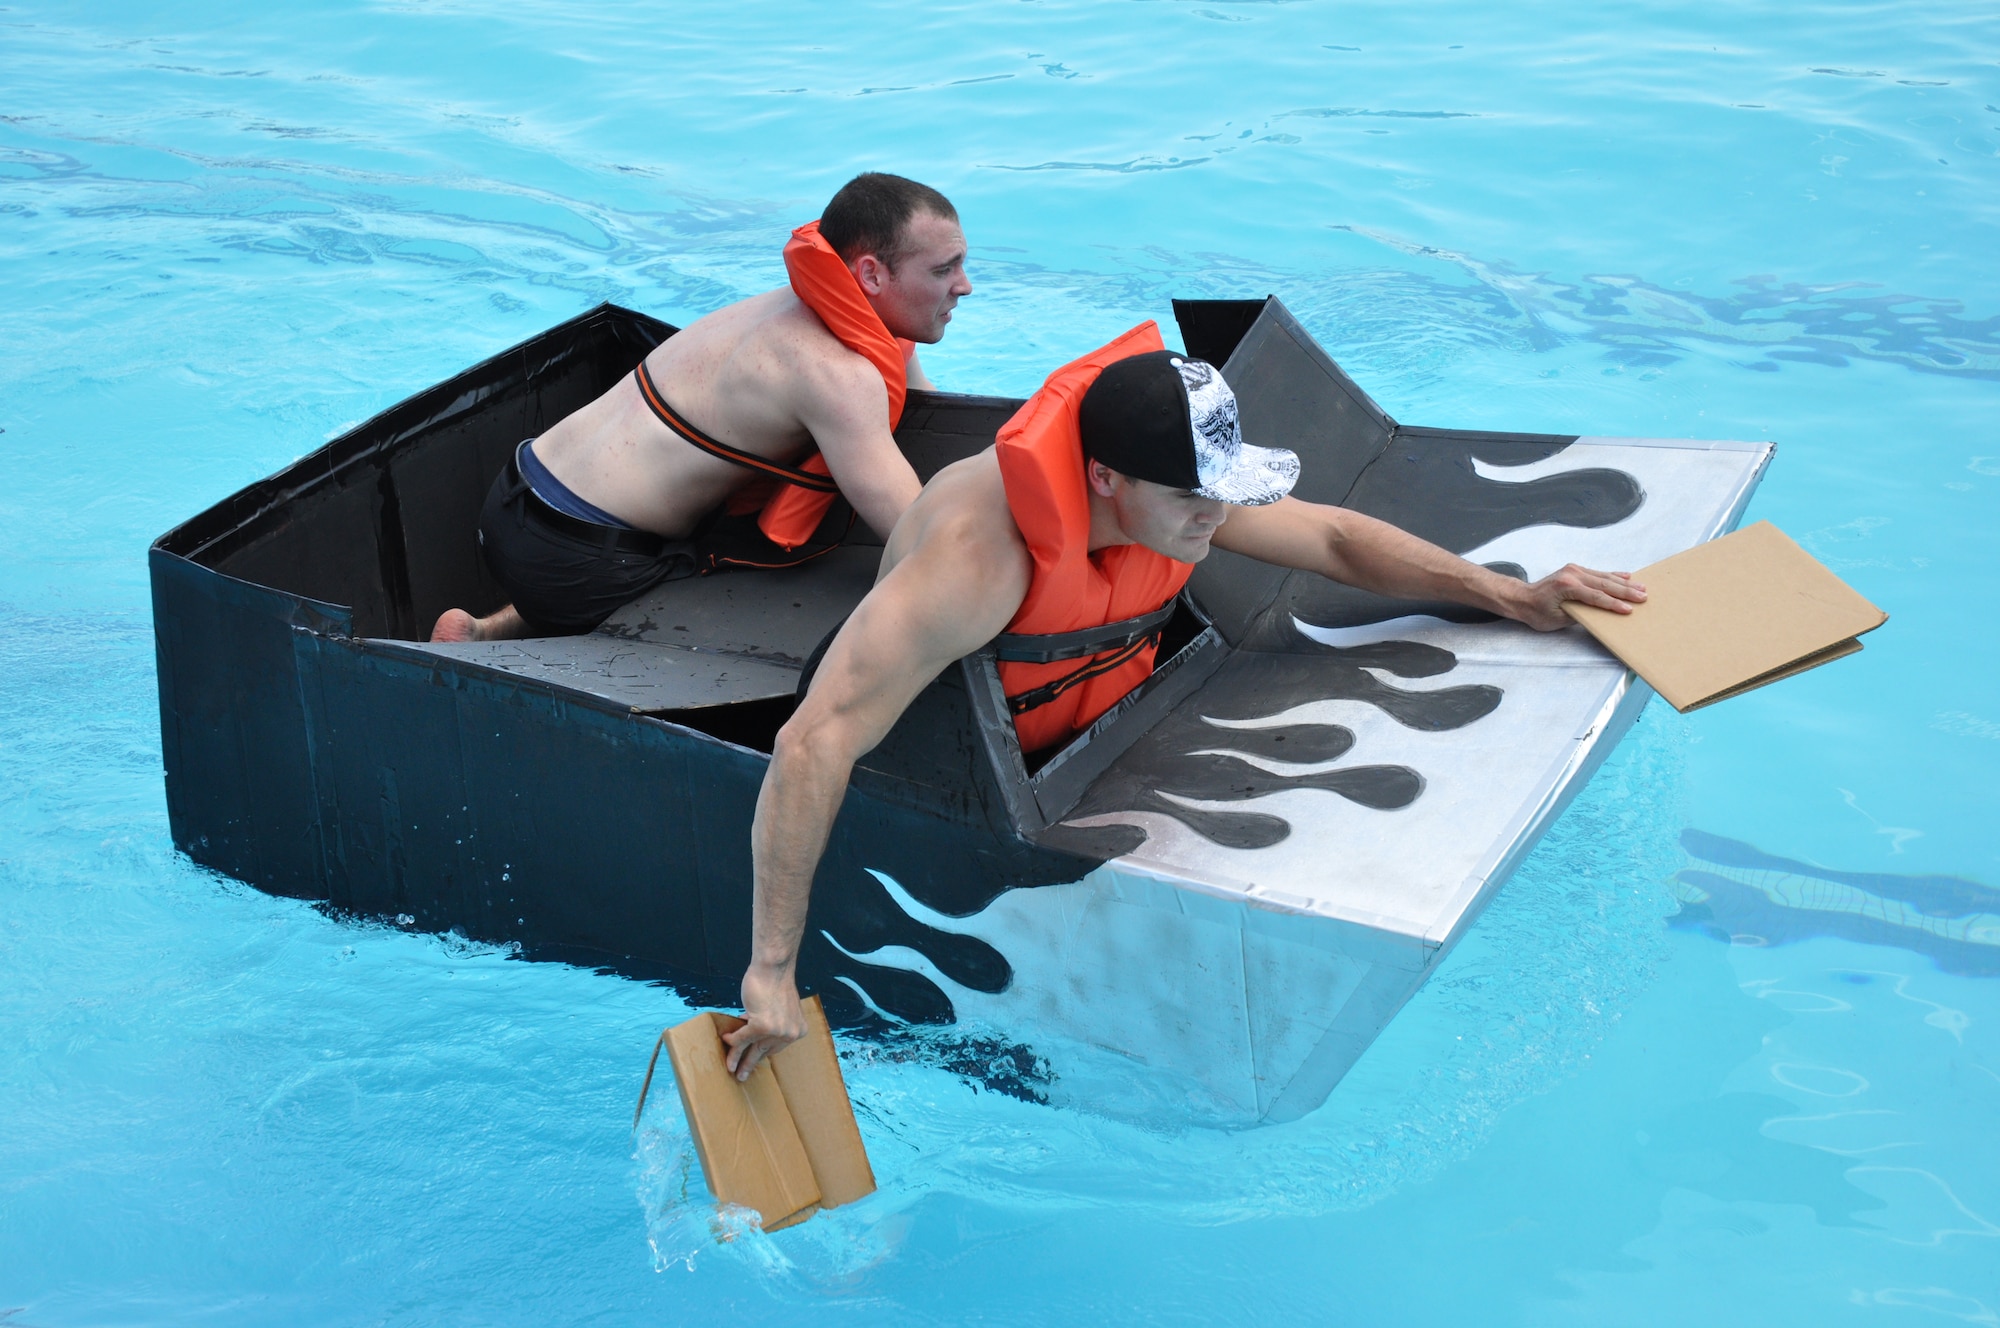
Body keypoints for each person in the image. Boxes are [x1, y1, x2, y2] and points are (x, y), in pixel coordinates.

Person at [719, 322, 1649, 1080]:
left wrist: (1510, 593)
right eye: (1196, 498)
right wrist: (769, 969)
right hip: (942, 774)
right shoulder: (977, 560)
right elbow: (815, 742)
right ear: (1102, 479)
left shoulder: (1172, 484)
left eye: (1225, 494)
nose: (1218, 515)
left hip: (1089, 722)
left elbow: (1328, 537)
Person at [431, 172, 972, 642]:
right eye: (943, 270)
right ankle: (534, 626)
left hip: (518, 494)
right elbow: (916, 539)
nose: (964, 287)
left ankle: (484, 632)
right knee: (756, 589)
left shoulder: (790, 307)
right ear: (872, 276)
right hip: (578, 553)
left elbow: (922, 403)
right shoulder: (833, 375)